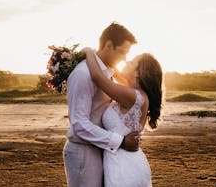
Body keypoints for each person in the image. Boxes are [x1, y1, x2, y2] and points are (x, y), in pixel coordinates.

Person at [63, 22, 141, 187]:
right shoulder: (83, 74)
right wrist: (120, 141)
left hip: (101, 148)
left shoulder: (105, 74)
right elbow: (79, 124)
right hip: (84, 152)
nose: (124, 59)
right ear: (108, 45)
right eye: (122, 52)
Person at [83, 48, 163, 187]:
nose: (126, 61)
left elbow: (98, 78)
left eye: (131, 62)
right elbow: (116, 73)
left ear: (138, 73)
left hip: (123, 167)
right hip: (124, 161)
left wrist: (89, 52)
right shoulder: (134, 92)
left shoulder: (133, 96)